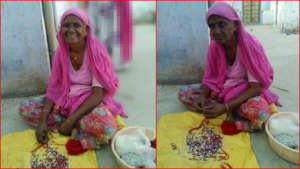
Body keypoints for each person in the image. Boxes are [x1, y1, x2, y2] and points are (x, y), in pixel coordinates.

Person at [18, 8, 127, 152]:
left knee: (107, 127)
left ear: (86, 30)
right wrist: (42, 121)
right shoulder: (60, 53)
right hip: (65, 98)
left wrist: (71, 119)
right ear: (61, 29)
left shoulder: (96, 52)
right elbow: (54, 88)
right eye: (66, 25)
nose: (70, 30)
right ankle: (76, 125)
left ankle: (70, 122)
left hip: (88, 100)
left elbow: (97, 94)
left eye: (76, 25)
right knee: (25, 107)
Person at [178, 2, 280, 132]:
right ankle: (230, 111)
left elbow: (255, 88)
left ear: (235, 25)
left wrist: (225, 107)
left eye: (222, 24)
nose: (216, 31)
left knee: (262, 113)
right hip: (221, 89)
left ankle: (231, 112)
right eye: (212, 26)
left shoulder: (249, 47)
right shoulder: (214, 47)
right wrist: (203, 96)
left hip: (245, 91)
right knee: (184, 93)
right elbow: (209, 77)